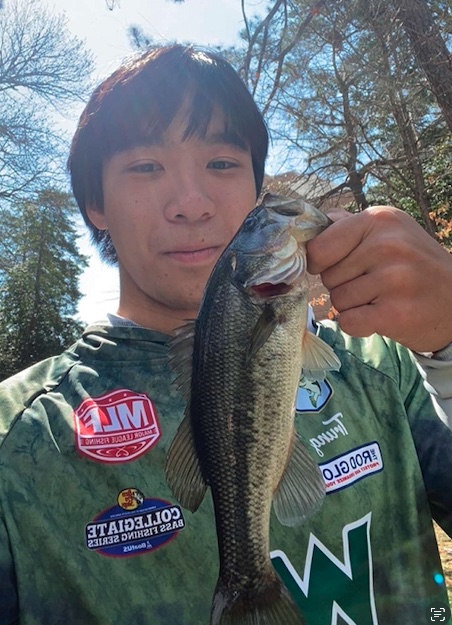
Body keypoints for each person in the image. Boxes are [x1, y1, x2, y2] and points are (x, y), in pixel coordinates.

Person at [1, 44, 452, 625]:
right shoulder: (17, 441)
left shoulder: (387, 367)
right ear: (96, 204)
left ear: (256, 189)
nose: (191, 204)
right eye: (144, 166)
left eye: (221, 163)